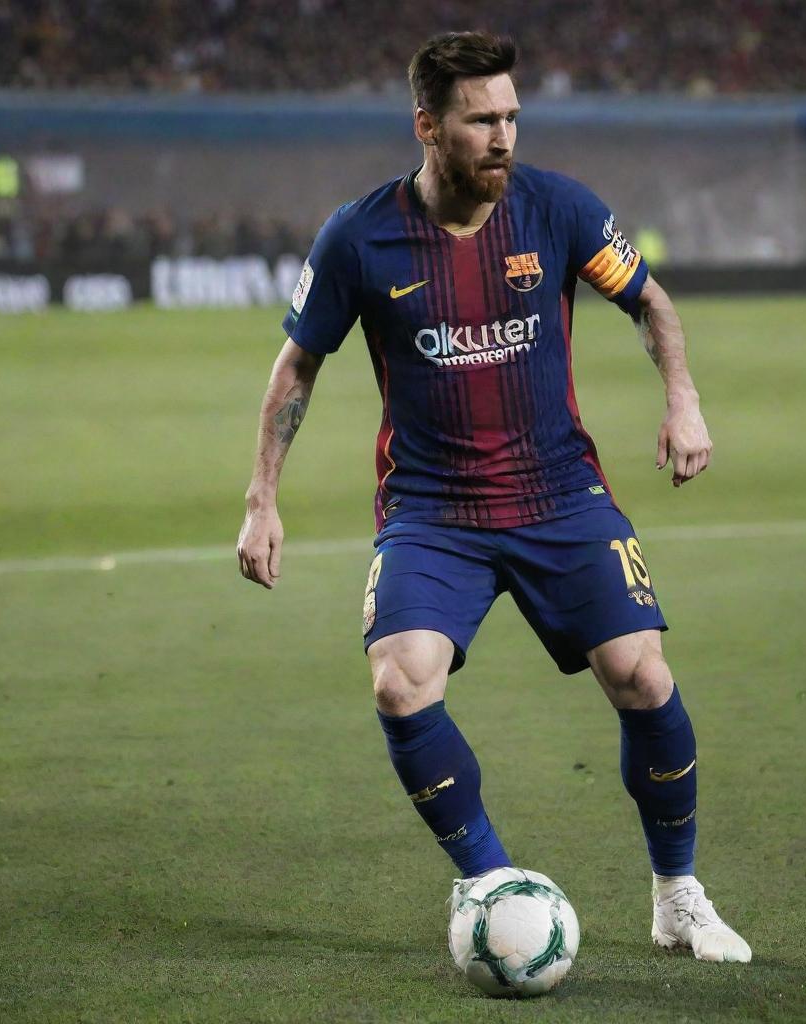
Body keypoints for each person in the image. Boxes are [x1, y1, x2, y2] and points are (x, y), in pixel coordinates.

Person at [237, 31, 750, 964]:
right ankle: (490, 882)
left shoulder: (557, 210)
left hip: (560, 492)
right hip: (434, 512)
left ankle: (677, 896)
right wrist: (262, 498)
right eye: (483, 121)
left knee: (642, 675)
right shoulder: (361, 236)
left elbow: (650, 302)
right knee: (400, 681)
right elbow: (298, 364)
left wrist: (684, 401)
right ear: (429, 127)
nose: (504, 136)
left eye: (512, 116)